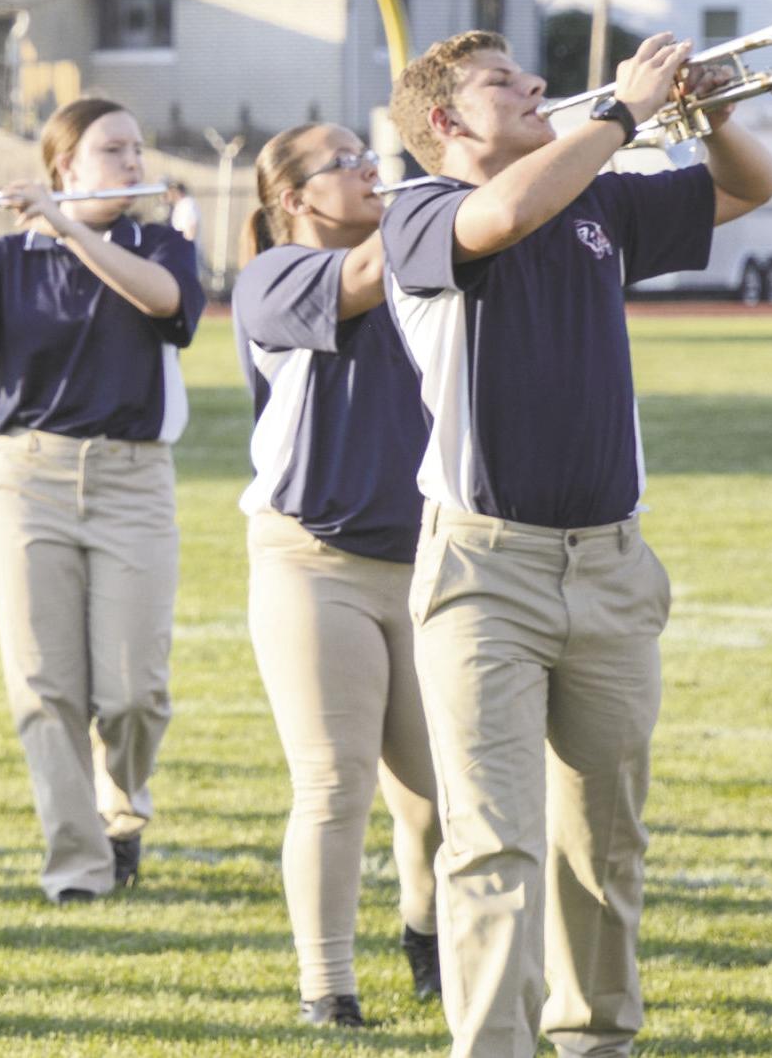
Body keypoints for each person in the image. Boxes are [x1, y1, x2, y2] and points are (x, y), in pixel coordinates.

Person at [379, 30, 772, 1057]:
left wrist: (715, 118)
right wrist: (624, 117)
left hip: (609, 564)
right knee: (492, 841)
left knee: (603, 842)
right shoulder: (420, 213)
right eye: (502, 84)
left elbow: (751, 190)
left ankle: (598, 1040)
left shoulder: (594, 197)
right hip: (484, 570)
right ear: (443, 121)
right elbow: (504, 213)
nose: (535, 87)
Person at [0, 97, 206, 904]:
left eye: (136, 147)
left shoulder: (159, 243)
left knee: (135, 689)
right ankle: (77, 864)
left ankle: (121, 813)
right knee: (45, 687)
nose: (133, 163)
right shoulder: (5, 263)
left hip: (133, 477)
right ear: (63, 167)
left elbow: (166, 304)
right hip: (25, 477)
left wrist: (69, 230)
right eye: (113, 150)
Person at [232, 123, 442, 1028]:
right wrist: (446, 188)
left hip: (429, 562)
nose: (370, 170)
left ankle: (429, 939)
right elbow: (359, 281)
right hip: (312, 561)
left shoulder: (409, 264)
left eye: (371, 154)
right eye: (345, 162)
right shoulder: (272, 276)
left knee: (442, 800)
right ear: (294, 199)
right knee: (333, 782)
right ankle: (328, 990)